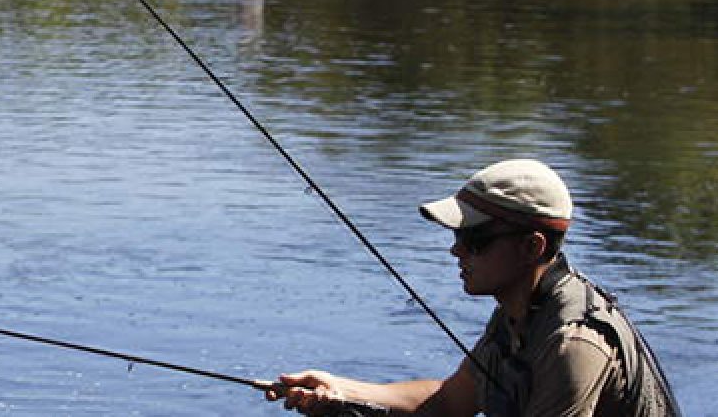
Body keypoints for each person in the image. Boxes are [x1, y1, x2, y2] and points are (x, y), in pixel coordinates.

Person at [266, 159, 681, 416]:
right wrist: (341, 391)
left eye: (475, 241)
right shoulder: (520, 312)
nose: (456, 251)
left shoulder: (573, 346)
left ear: (531, 247)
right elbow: (450, 402)